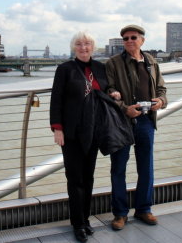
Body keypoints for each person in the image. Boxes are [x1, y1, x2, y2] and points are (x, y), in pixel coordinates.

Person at [50, 31, 124, 242]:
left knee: (89, 177)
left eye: (87, 44)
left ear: (93, 47)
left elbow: (105, 87)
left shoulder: (100, 68)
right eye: (80, 44)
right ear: (74, 48)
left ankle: (86, 218)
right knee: (75, 179)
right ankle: (77, 223)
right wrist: (57, 128)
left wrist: (114, 92)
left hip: (93, 130)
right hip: (71, 132)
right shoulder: (65, 69)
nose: (84, 47)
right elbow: (56, 100)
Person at [105, 24, 167, 230]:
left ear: (142, 40)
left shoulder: (151, 61)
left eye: (133, 37)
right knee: (119, 169)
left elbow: (161, 87)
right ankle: (120, 214)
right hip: (122, 123)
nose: (129, 41)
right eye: (125, 38)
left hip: (146, 121)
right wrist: (125, 109)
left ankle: (144, 209)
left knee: (146, 167)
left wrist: (161, 100)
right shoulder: (113, 63)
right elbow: (108, 90)